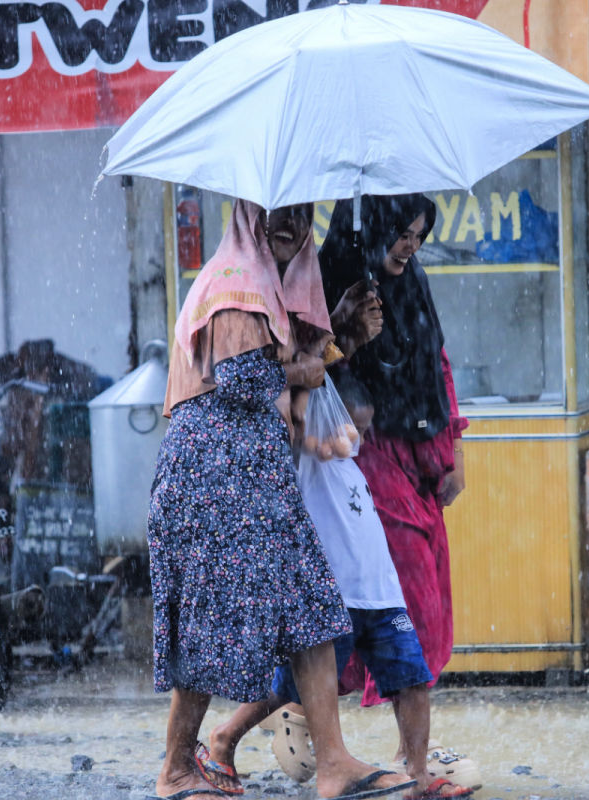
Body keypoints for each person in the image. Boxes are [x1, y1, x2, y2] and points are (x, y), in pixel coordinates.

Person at [146, 199, 414, 800]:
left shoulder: (272, 288)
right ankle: (177, 769)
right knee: (208, 619)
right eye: (275, 211)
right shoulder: (234, 280)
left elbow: (294, 362)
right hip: (212, 472)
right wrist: (309, 366)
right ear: (248, 216)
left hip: (258, 474)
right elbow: (242, 377)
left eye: (300, 211)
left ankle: (334, 764)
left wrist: (337, 331)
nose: (290, 222)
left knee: (313, 609)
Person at [197, 370, 472, 800]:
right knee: (289, 689)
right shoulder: (305, 461)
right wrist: (306, 389)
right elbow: (287, 404)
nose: (355, 438)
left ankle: (416, 774)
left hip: (382, 596)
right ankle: (224, 737)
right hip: (332, 599)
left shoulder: (353, 467)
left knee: (413, 680)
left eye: (362, 429)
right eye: (349, 426)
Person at [317, 194, 478, 786]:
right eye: (401, 233)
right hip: (369, 463)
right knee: (406, 614)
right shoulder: (336, 284)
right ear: (374, 228)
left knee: (400, 613)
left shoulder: (412, 284)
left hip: (420, 461)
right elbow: (313, 372)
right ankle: (408, 764)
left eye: (418, 235)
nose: (410, 246)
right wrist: (348, 331)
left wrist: (453, 449)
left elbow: (437, 363)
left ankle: (402, 760)